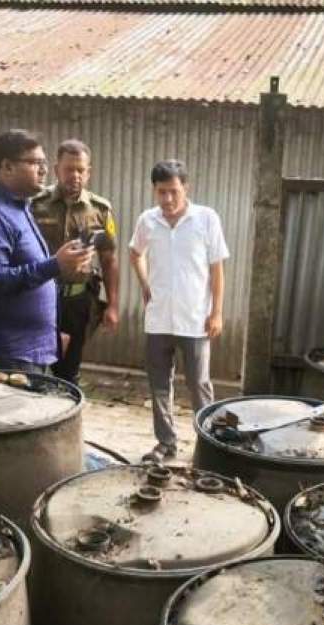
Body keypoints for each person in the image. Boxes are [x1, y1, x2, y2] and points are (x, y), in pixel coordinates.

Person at [0, 129, 93, 372]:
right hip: (6, 354)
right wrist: (55, 265)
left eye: (43, 163)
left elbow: (27, 270)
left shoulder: (19, 205)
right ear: (7, 166)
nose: (43, 170)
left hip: (28, 352)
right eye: (35, 163)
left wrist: (64, 267)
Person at [130, 160, 228, 464]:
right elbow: (135, 252)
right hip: (158, 319)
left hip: (195, 319)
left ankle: (209, 447)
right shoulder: (148, 220)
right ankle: (166, 444)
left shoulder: (206, 219)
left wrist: (217, 313)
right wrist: (145, 283)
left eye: (173, 191)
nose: (168, 199)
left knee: (199, 385)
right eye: (162, 192)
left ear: (186, 187)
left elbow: (217, 270)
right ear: (154, 191)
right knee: (159, 384)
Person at [30, 139, 120, 385]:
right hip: (41, 298)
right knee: (34, 369)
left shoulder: (100, 210)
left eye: (81, 170)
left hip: (77, 302)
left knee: (68, 372)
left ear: (88, 172)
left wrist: (112, 305)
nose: (75, 175)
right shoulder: (36, 204)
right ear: (57, 169)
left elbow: (109, 259)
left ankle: (65, 418)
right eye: (69, 169)